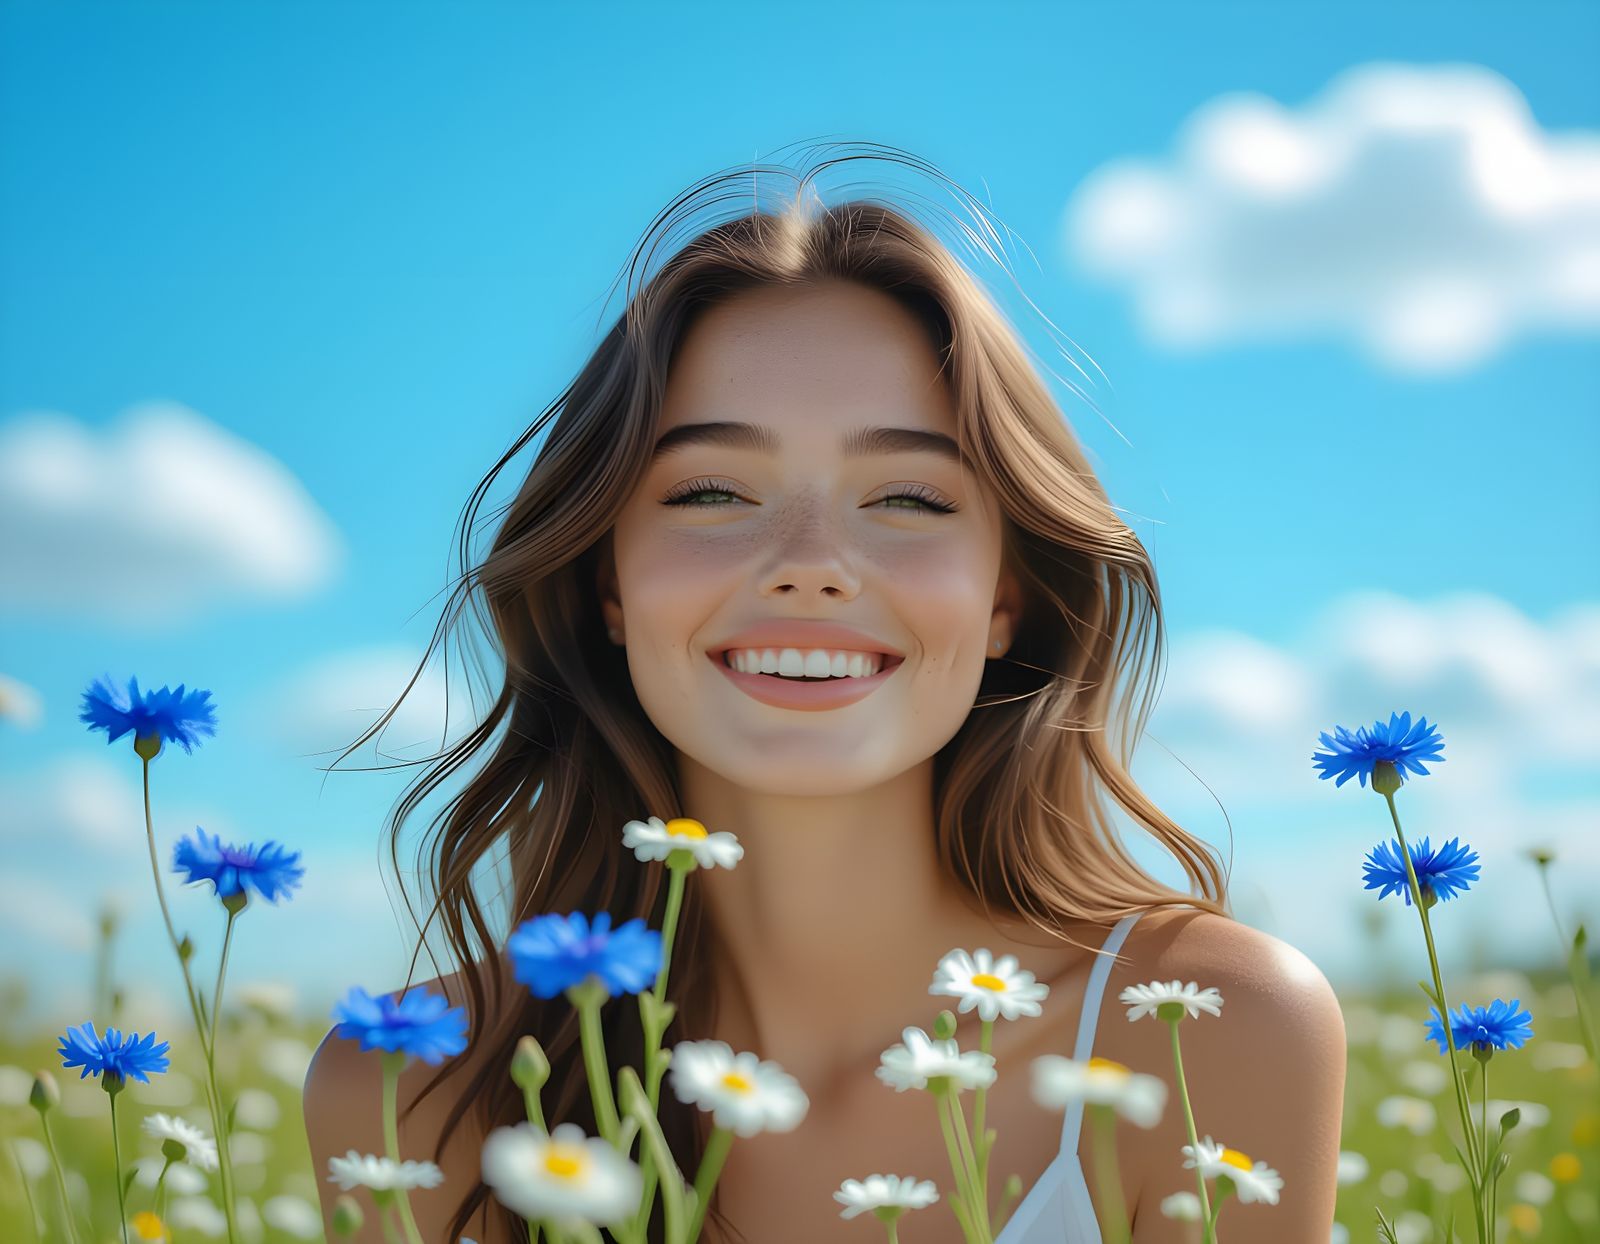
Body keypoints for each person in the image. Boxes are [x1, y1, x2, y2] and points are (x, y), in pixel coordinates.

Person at [303, 145, 1345, 1244]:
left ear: (1009, 597)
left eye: (906, 495)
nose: (811, 562)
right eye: (711, 490)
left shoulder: (1211, 1031)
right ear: (606, 580)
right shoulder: (410, 1085)